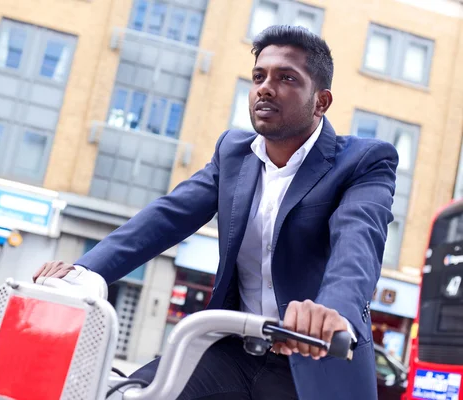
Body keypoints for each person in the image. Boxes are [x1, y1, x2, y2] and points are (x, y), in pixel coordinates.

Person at [33, 25, 397, 400]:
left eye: (286, 78)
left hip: (315, 361)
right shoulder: (233, 153)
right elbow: (166, 217)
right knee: (130, 394)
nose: (265, 88)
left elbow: (359, 241)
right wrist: (87, 272)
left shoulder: (364, 161)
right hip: (233, 351)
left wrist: (331, 312)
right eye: (259, 77)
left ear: (321, 102)